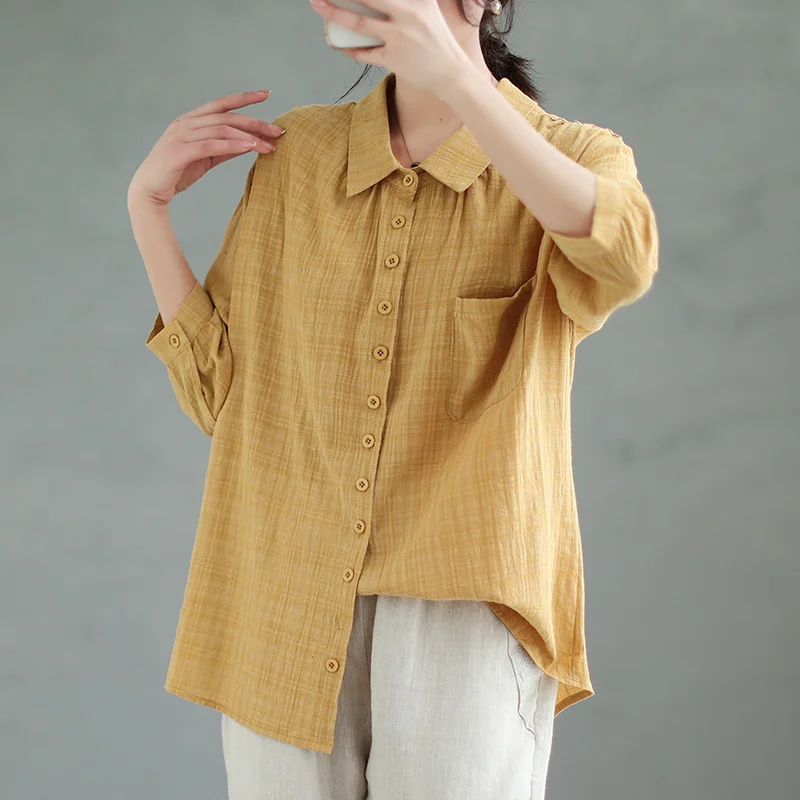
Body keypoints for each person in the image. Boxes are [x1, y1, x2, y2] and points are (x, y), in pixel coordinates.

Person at [128, 0, 659, 797]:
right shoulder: (300, 154)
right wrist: (149, 211)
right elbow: (225, 403)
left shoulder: (571, 156)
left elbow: (624, 258)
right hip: (282, 591)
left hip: (464, 606)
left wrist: (463, 83)